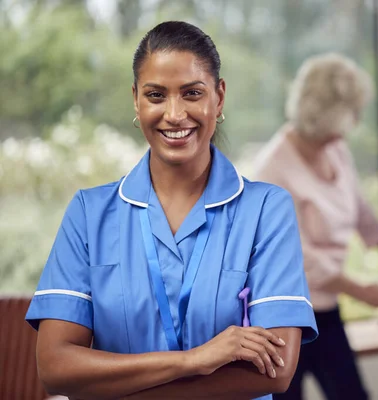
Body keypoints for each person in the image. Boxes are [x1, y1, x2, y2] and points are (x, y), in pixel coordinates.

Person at [24, 21, 318, 400]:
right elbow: (55, 368)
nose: (175, 114)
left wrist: (115, 388)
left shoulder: (265, 209)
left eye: (192, 93)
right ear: (136, 100)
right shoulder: (88, 213)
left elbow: (275, 372)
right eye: (156, 95)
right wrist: (193, 360)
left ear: (219, 98)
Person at [253, 53, 378, 400]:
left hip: (326, 310)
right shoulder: (273, 170)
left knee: (352, 394)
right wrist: (361, 290)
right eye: (355, 110)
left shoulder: (336, 150)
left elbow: (361, 211)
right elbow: (298, 257)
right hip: (283, 316)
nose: (359, 119)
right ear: (335, 112)